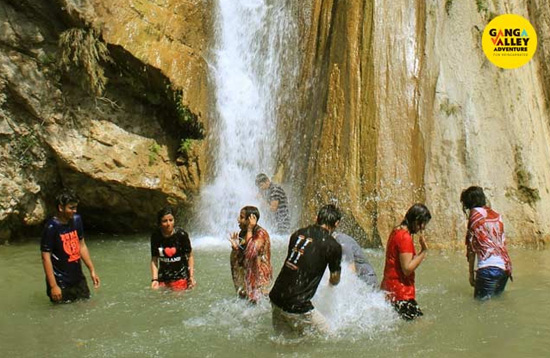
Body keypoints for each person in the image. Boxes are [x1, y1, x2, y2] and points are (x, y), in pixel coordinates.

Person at [269, 204, 342, 336]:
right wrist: (331, 285)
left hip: (276, 296)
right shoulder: (332, 245)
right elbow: (335, 278)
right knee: (331, 338)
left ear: (317, 218)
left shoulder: (297, 234)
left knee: (284, 342)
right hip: (297, 305)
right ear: (336, 223)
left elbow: (296, 265)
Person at [40, 189, 100, 303]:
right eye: (71, 208)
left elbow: (81, 246)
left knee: (87, 307)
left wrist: (92, 270)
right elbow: (45, 257)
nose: (74, 211)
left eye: (76, 207)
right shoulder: (51, 227)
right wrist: (53, 286)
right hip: (60, 281)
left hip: (78, 278)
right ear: (61, 208)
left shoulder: (76, 220)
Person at [460, 186, 512, 300]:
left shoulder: (474, 216)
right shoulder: (497, 215)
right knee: (497, 304)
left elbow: (471, 249)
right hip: (504, 268)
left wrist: (471, 274)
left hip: (487, 269)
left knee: (480, 308)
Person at [380, 203, 431, 320]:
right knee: (422, 326)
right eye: (422, 224)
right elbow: (407, 269)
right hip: (401, 293)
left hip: (389, 289)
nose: (422, 228)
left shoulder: (396, 231)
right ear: (416, 220)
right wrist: (423, 251)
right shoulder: (405, 237)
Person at [229, 206, 272, 303]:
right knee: (245, 298)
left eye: (241, 217)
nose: (238, 220)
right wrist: (236, 248)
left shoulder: (260, 233)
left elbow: (251, 252)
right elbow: (244, 253)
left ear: (250, 220)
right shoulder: (243, 233)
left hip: (259, 274)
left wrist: (249, 229)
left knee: (258, 300)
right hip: (248, 272)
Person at [150, 207, 195, 291]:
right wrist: (155, 279)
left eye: (171, 220)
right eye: (165, 221)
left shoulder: (181, 235)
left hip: (181, 276)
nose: (168, 224)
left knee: (176, 298)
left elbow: (190, 256)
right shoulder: (156, 236)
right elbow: (154, 259)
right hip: (163, 277)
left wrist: (191, 277)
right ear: (160, 223)